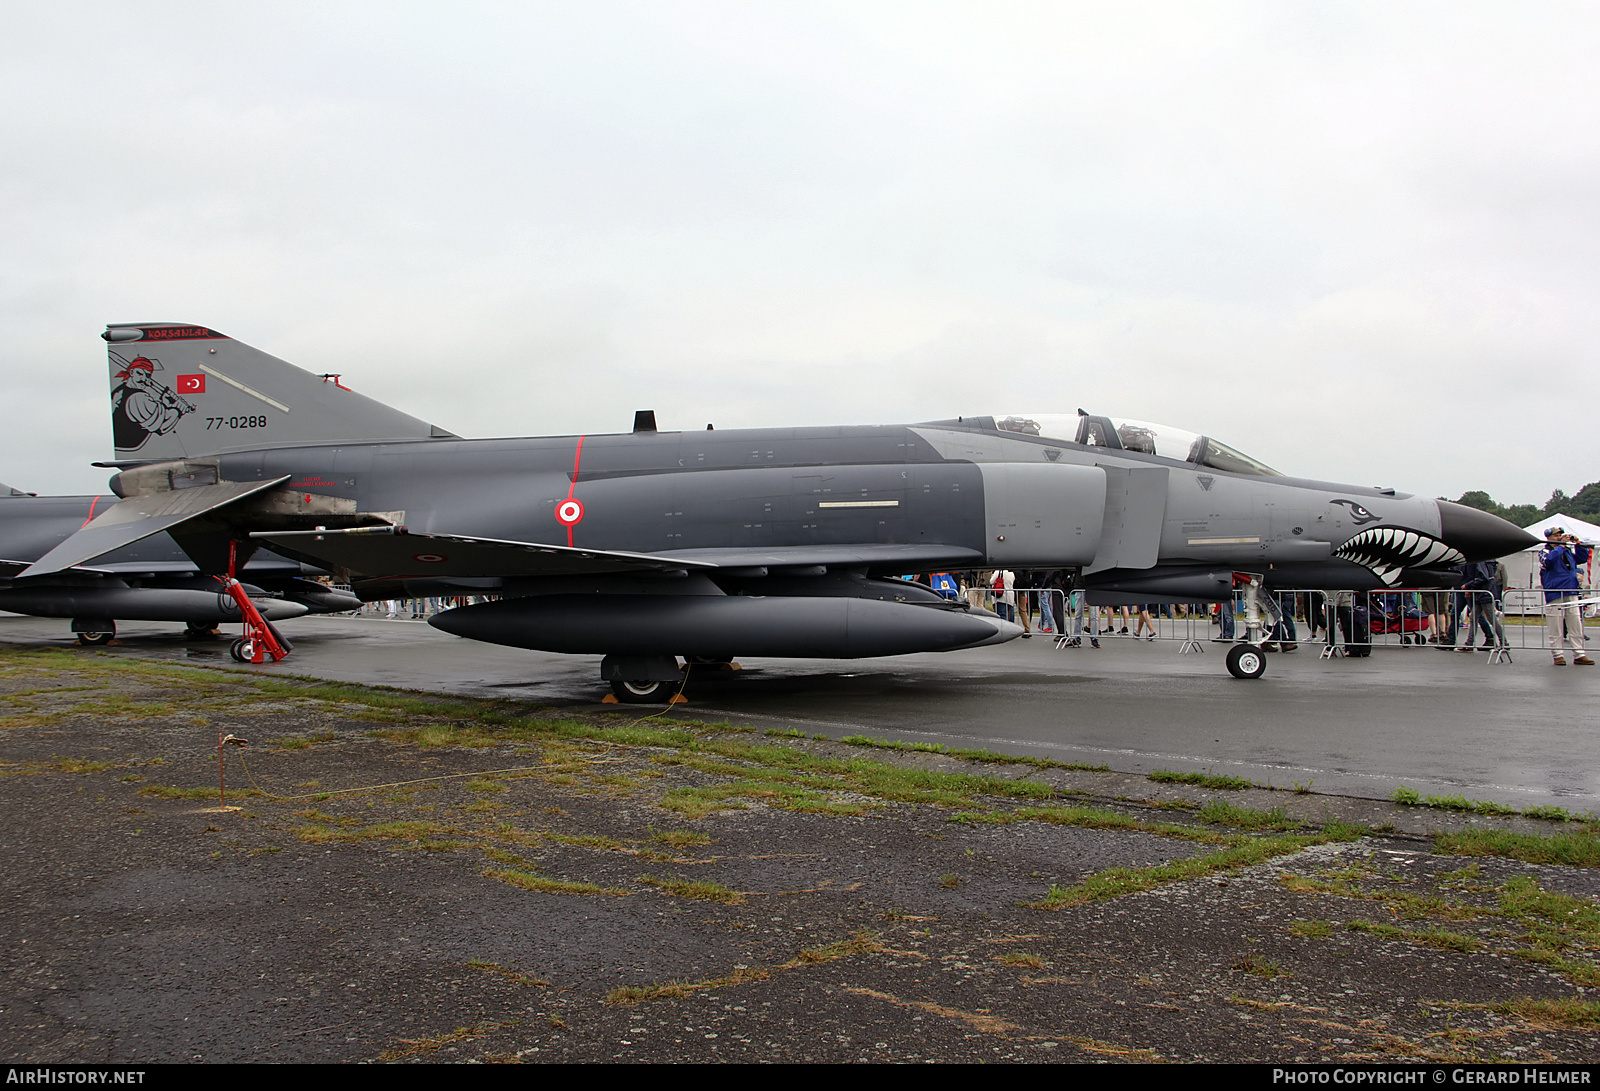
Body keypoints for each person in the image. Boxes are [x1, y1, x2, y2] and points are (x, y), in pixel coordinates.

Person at [1540, 528, 1594, 666]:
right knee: (1556, 626)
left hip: (1571, 590)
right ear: (1549, 538)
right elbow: (1549, 562)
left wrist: (1578, 544)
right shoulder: (1545, 552)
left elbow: (1582, 558)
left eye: (1560, 535)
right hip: (1555, 592)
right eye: (1556, 536)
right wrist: (1561, 546)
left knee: (1576, 624)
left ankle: (1579, 653)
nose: (1559, 537)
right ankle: (1558, 654)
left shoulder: (1567, 551)